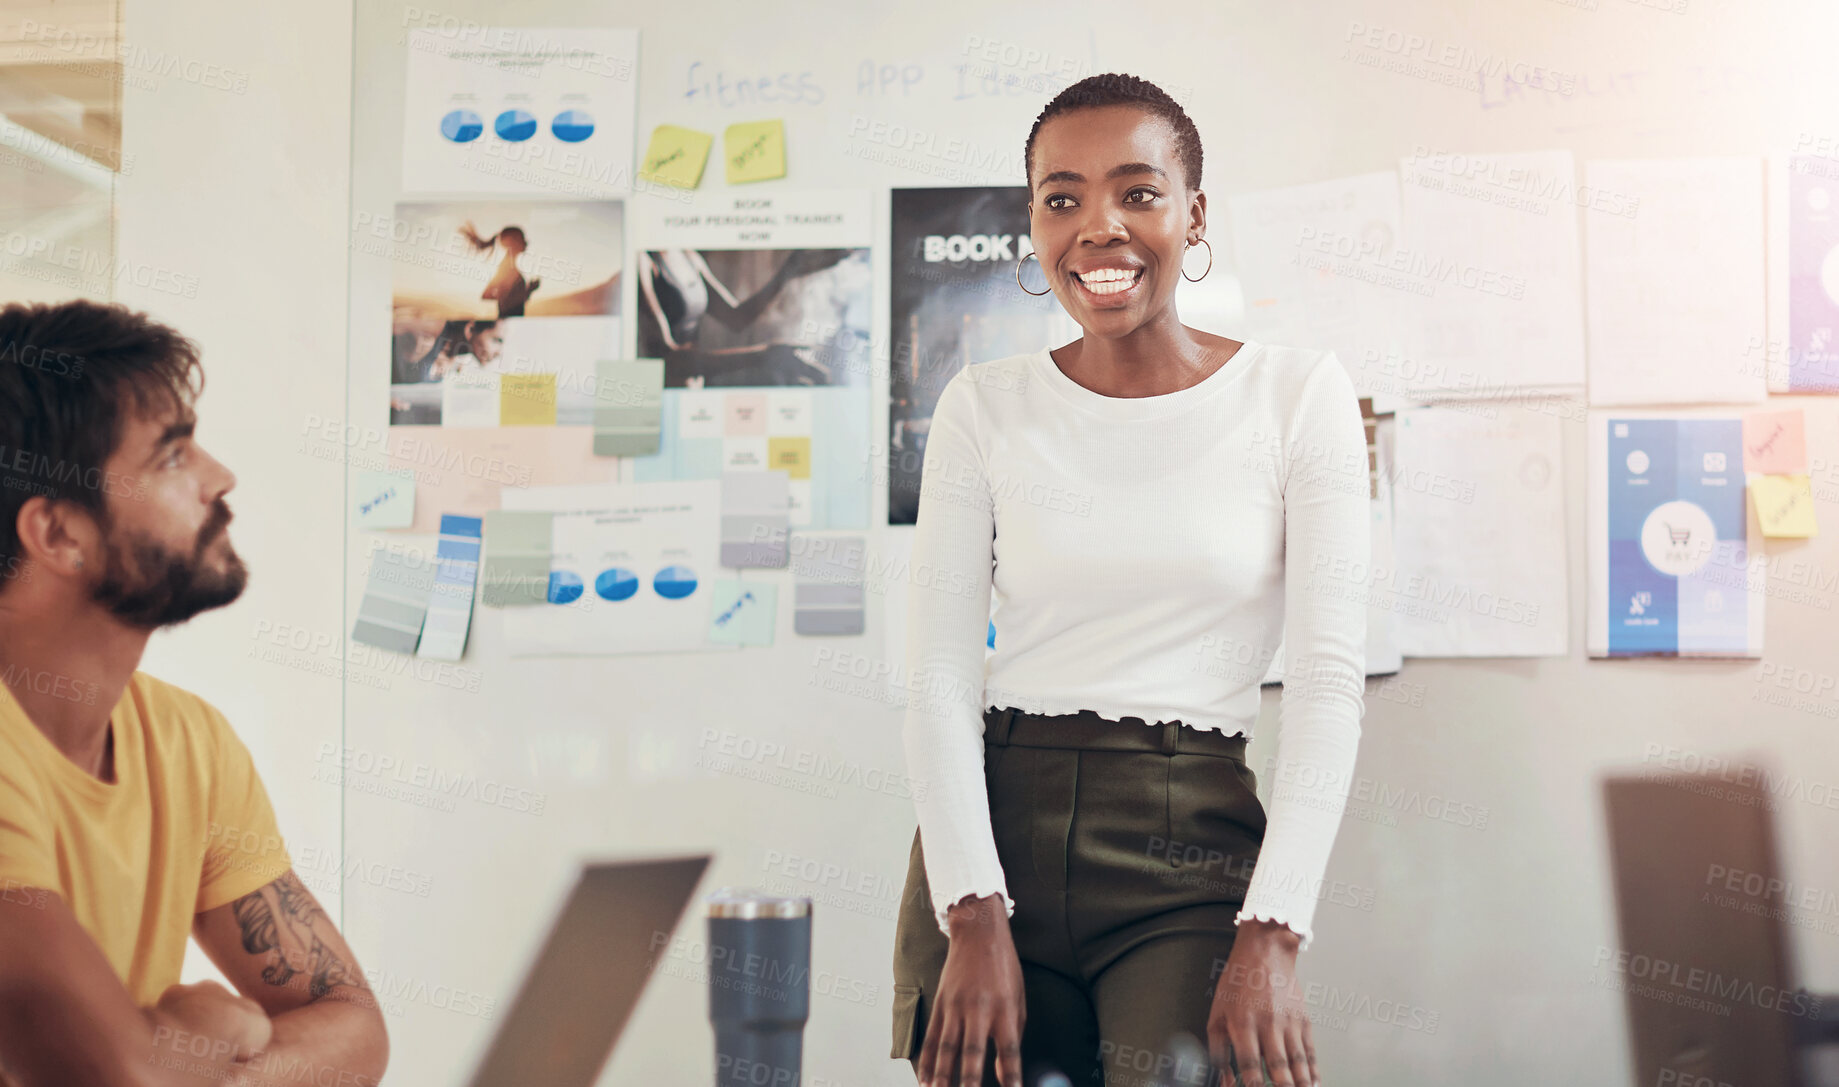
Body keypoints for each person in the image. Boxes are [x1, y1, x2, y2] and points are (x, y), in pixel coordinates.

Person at [892, 74, 1369, 1087]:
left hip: (1187, 853)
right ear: (1032, 222)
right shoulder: (984, 406)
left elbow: (1327, 685)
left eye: (1137, 193)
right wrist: (968, 912)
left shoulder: (1297, 397)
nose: (1096, 227)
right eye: (1061, 198)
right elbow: (938, 676)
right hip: (995, 831)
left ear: (1193, 215)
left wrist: (1275, 928)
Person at [0, 300, 390, 1086]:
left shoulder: (188, 741)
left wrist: (200, 1056)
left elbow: (356, 1030)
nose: (220, 477)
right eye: (173, 456)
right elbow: (115, 1074)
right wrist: (176, 1048)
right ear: (60, 535)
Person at [459, 221, 541, 319]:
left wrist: (526, 292)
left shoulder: (508, 266)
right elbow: (487, 295)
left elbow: (494, 296)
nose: (526, 242)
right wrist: (529, 290)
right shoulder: (507, 268)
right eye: (522, 238)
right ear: (513, 242)